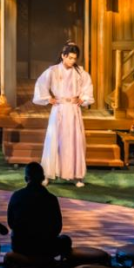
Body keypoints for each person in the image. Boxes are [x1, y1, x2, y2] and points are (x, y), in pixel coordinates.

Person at [33, 42, 94, 187]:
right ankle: (48, 174)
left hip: (73, 110)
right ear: (63, 56)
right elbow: (41, 84)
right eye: (70, 58)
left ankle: (77, 176)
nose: (72, 61)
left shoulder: (80, 72)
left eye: (74, 58)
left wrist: (83, 98)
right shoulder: (53, 70)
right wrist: (48, 98)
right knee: (54, 140)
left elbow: (87, 87)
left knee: (74, 141)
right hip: (59, 108)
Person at [7, 162, 72, 260]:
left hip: (21, 246)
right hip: (45, 247)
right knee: (66, 240)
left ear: (26, 178)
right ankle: (61, 266)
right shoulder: (51, 199)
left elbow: (11, 223)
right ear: (43, 178)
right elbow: (57, 227)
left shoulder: (17, 196)